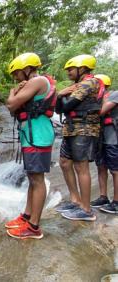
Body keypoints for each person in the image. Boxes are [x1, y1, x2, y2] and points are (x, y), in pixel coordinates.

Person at [4, 53, 56, 239]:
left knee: (37, 179)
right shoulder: (34, 83)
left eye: (17, 73)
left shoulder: (37, 81)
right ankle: (27, 216)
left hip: (38, 135)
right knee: (32, 177)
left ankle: (34, 227)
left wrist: (13, 91)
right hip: (33, 135)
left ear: (27, 69)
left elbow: (11, 105)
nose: (16, 77)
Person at [54, 54, 105, 221]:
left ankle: (86, 209)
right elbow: (59, 109)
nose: (68, 72)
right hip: (71, 129)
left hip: (84, 129)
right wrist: (60, 95)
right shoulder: (75, 85)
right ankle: (75, 200)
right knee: (64, 162)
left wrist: (61, 95)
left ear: (82, 68)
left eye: (70, 69)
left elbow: (68, 105)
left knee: (81, 167)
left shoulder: (90, 82)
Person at [90, 74, 115, 210]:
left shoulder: (114, 95)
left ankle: (116, 202)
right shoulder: (95, 99)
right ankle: (103, 197)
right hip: (99, 138)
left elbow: (100, 112)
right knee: (101, 167)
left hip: (113, 138)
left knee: (115, 170)